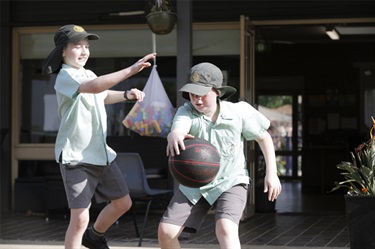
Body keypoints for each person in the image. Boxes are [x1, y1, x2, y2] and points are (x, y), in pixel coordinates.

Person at [42, 24, 156, 249]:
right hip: (77, 158)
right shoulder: (65, 76)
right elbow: (94, 87)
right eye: (77, 46)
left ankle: (93, 236)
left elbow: (101, 95)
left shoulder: (88, 73)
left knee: (123, 203)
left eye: (86, 46)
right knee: (80, 218)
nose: (84, 51)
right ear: (63, 52)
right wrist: (130, 71)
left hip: (102, 155)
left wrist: (126, 94)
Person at [158, 62, 282, 248]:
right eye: (193, 95)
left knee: (225, 228)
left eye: (202, 95)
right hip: (195, 182)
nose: (197, 100)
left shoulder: (239, 112)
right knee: (165, 232)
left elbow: (264, 138)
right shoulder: (186, 111)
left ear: (217, 91)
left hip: (231, 180)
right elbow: (179, 128)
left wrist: (271, 174)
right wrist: (174, 134)